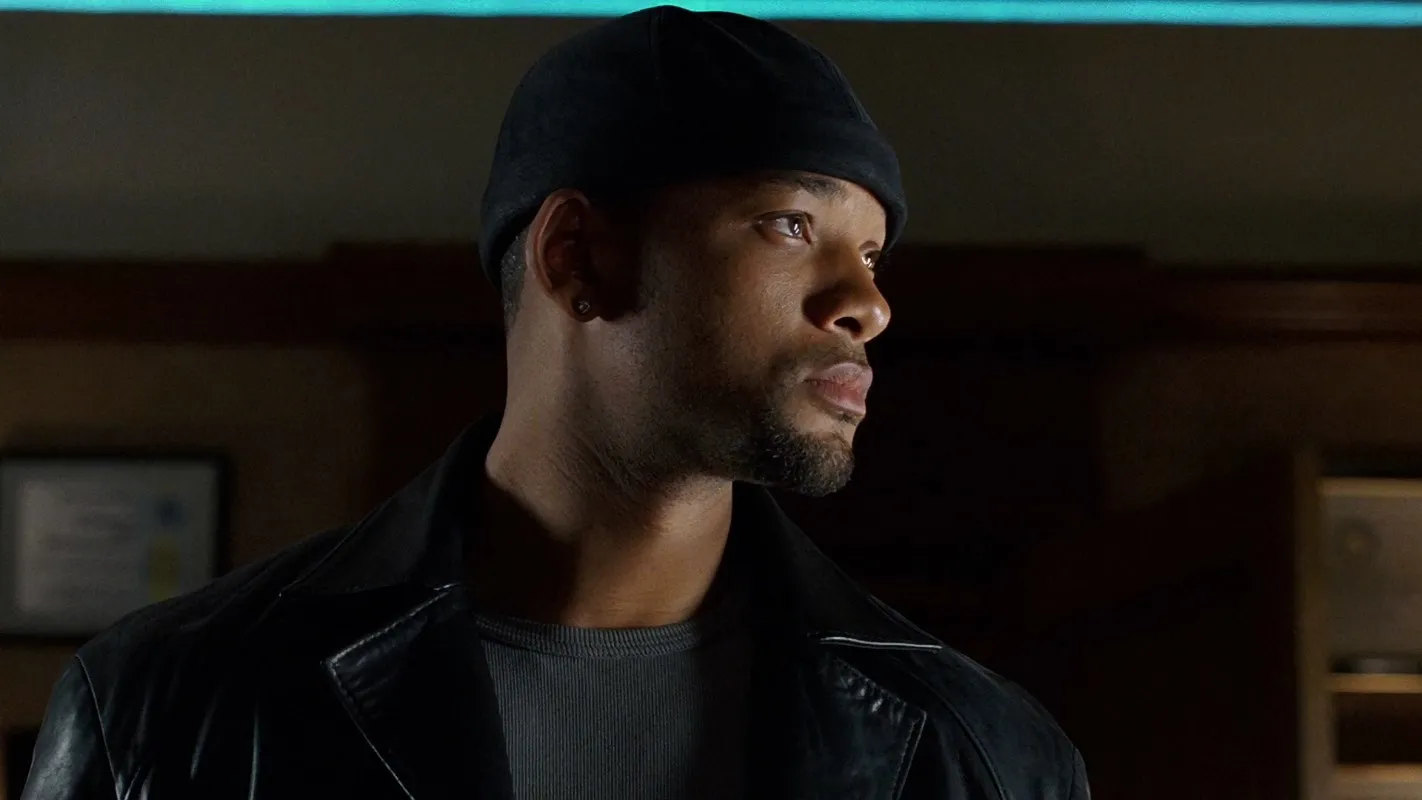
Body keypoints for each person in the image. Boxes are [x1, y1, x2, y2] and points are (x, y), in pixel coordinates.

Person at [22, 6, 1087, 799]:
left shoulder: (988, 754)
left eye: (873, 253)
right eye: (791, 227)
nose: (868, 305)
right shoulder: (167, 709)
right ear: (577, 255)